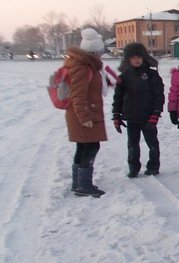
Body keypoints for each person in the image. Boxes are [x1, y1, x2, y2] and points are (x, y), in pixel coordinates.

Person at [64, 28, 113, 198]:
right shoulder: (82, 67)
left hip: (86, 112)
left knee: (83, 146)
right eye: (99, 52)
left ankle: (78, 182)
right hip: (84, 113)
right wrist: (84, 117)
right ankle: (83, 185)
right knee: (91, 146)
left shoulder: (85, 65)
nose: (101, 55)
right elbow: (78, 94)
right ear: (93, 52)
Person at [112, 43, 165, 177]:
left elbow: (159, 95)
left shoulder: (152, 75)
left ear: (144, 57)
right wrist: (116, 115)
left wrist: (156, 113)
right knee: (132, 145)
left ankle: (153, 166)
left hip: (148, 116)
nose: (136, 60)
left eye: (139, 57)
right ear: (128, 59)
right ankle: (133, 168)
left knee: (152, 143)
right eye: (133, 57)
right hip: (131, 116)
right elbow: (118, 97)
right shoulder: (123, 77)